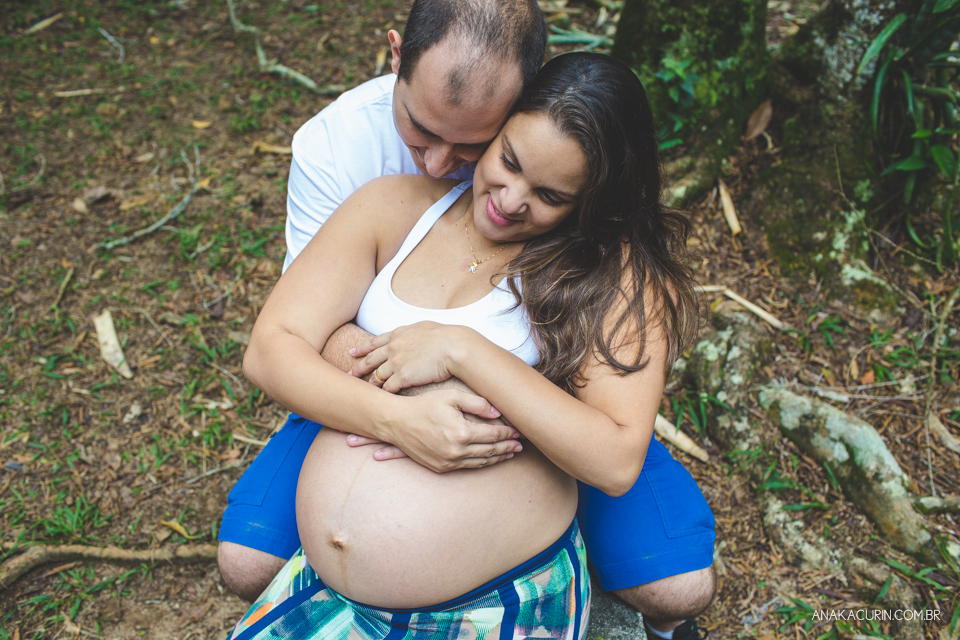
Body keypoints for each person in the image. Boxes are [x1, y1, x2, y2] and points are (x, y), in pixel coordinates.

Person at [217, 1, 717, 636]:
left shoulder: (606, 275)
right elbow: (276, 345)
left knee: (676, 584)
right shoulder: (371, 184)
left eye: (551, 194)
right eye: (507, 161)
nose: (510, 199)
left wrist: (461, 351)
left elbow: (615, 456)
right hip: (334, 580)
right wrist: (402, 419)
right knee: (245, 559)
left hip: (488, 597)